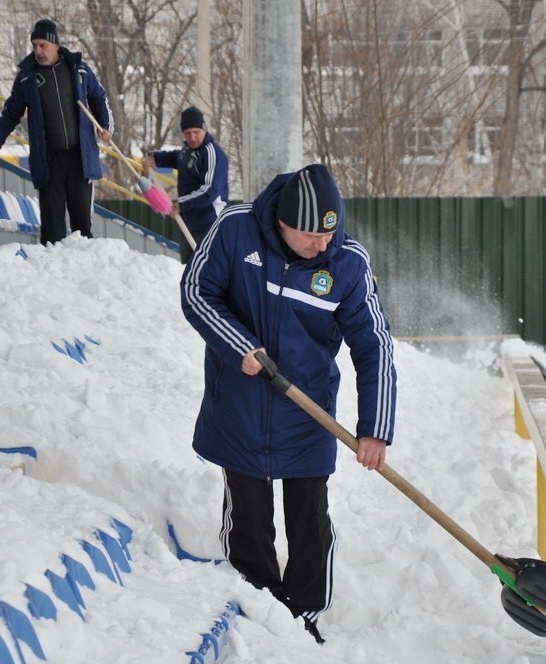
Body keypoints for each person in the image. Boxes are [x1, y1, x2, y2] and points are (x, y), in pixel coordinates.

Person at [180, 163, 397, 644]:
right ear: (283, 222)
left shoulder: (346, 264)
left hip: (307, 413)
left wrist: (375, 427)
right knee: (250, 521)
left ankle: (303, 618)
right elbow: (197, 293)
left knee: (309, 523)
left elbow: (374, 347)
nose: (325, 245)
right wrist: (240, 346)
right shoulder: (236, 230)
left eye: (331, 233)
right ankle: (260, 611)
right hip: (240, 408)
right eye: (312, 237)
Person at [0, 19, 113, 245]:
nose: (38, 51)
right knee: (52, 226)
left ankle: (84, 271)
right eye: (35, 46)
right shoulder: (27, 77)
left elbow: (99, 98)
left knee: (82, 223)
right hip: (48, 159)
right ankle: (52, 274)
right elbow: (11, 111)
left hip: (79, 157)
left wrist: (105, 127)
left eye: (43, 45)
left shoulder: (79, 69)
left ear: (55, 44)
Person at [145, 106, 229, 263]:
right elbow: (177, 158)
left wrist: (182, 204)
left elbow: (209, 190)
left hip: (210, 222)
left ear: (204, 129)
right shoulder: (187, 150)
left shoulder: (212, 153)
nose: (192, 137)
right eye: (187, 133)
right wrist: (155, 158)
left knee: (206, 268)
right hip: (188, 220)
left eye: (196, 132)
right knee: (188, 267)